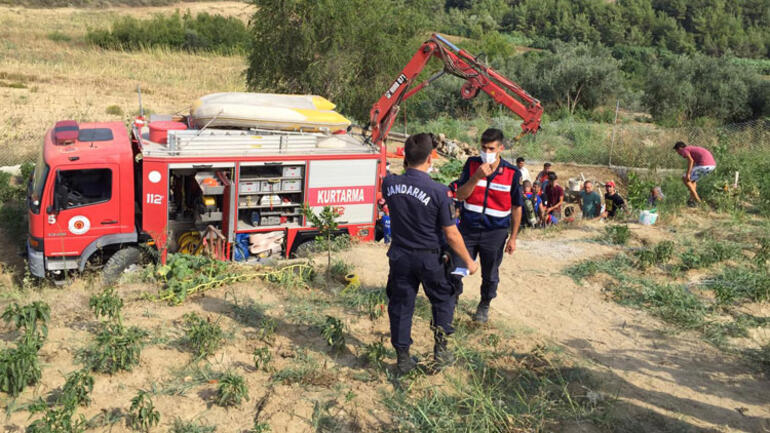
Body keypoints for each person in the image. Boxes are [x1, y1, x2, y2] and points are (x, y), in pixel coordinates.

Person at [382, 133, 478, 374]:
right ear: (430, 158)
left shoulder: (390, 184)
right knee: (443, 299)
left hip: (401, 256)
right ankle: (441, 351)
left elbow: (396, 178)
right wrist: (468, 261)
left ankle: (403, 358)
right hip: (430, 258)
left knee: (402, 306)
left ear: (405, 157)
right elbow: (452, 234)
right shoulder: (438, 191)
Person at [454, 128, 523, 323]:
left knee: (490, 274)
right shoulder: (471, 165)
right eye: (484, 148)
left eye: (491, 148)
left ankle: (484, 304)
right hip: (468, 229)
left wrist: (514, 237)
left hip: (495, 233)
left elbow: (517, 207)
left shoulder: (511, 173)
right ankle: (453, 299)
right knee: (457, 268)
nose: (487, 152)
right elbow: (460, 195)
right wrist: (476, 177)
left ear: (500, 148)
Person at [673, 141, 716, 206]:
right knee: (692, 180)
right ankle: (691, 200)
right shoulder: (691, 149)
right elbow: (693, 163)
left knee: (685, 178)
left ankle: (698, 200)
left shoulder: (685, 150)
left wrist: (688, 174)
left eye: (677, 151)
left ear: (679, 148)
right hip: (712, 165)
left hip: (704, 165)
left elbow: (691, 161)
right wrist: (689, 174)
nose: (678, 153)